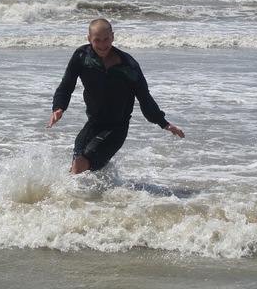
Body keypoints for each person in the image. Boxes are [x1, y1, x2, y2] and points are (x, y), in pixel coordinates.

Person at [46, 18, 185, 174]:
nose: (102, 44)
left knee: (80, 164)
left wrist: (163, 123)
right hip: (93, 124)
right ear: (89, 39)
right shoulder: (82, 57)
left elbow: (144, 97)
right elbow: (66, 85)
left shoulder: (128, 65)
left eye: (106, 39)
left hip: (116, 128)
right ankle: (103, 188)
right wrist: (59, 107)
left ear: (113, 37)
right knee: (78, 163)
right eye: (97, 40)